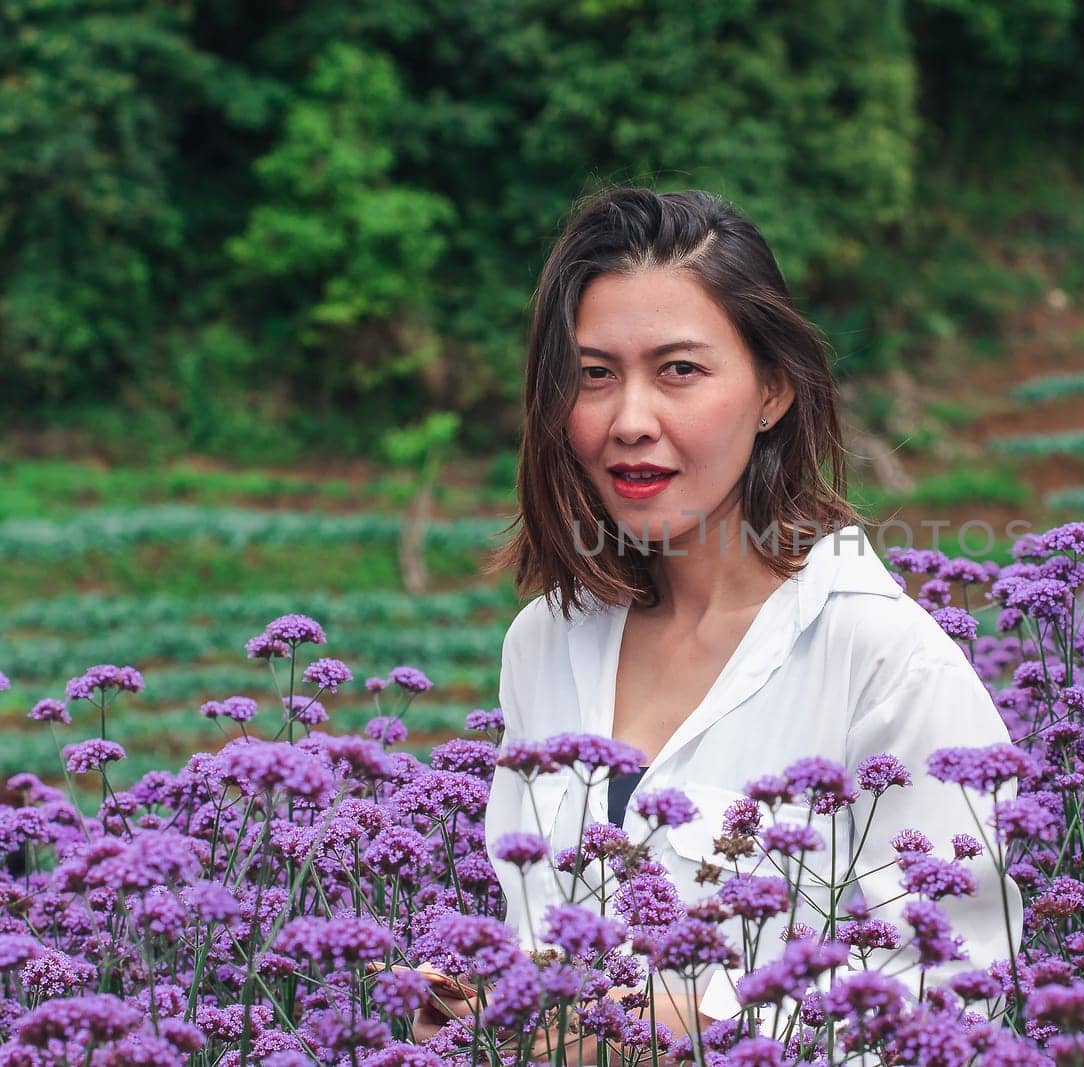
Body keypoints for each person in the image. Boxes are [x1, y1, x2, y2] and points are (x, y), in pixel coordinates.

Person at [415, 187, 1023, 1054]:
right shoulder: (546, 642)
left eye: (679, 371)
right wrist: (489, 1019)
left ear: (773, 389)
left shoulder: (882, 658)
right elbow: (538, 938)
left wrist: (695, 1030)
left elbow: (960, 1001)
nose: (629, 420)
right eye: (594, 375)